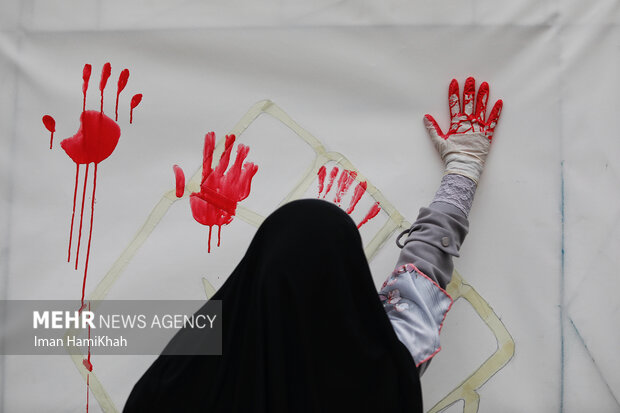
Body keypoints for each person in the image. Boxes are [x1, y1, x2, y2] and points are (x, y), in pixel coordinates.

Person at [123, 77, 502, 412]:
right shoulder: (381, 380)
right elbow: (418, 288)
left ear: (251, 276)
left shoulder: (172, 386)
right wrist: (463, 171)